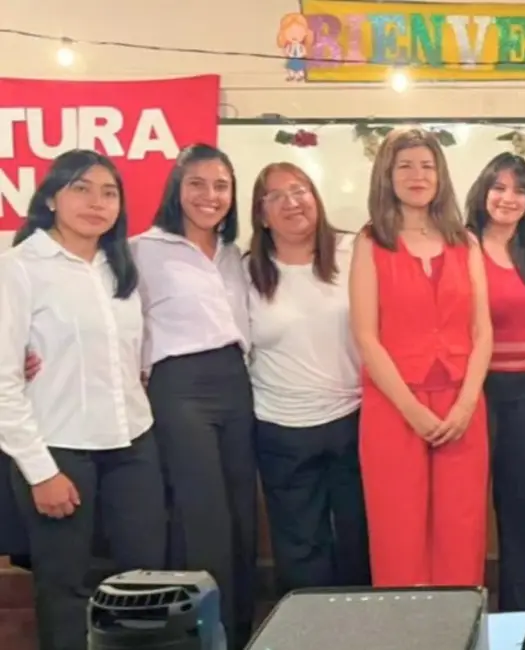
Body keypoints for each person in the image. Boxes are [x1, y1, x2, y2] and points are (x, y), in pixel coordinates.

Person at [0, 150, 167, 650]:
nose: (97, 202)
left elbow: (133, 355)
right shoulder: (19, 268)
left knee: (144, 581)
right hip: (59, 450)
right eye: (81, 189)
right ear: (51, 198)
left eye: (109, 193)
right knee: (65, 589)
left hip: (132, 443)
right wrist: (40, 471)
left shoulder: (121, 268)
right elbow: (3, 381)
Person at [350, 126, 492, 588]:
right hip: (394, 406)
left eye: (427, 166)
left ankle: (459, 623)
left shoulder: (465, 242)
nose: (418, 175)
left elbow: (482, 331)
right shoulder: (371, 241)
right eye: (405, 166)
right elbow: (366, 337)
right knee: (397, 532)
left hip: (460, 404)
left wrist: (466, 403)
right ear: (387, 176)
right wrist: (412, 410)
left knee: (461, 530)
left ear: (440, 175)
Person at [132, 144, 256, 650]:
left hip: (235, 382)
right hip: (179, 387)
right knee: (203, 517)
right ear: (176, 190)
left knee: (242, 514)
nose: (210, 195)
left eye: (221, 185)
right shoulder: (142, 249)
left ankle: (243, 632)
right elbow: (118, 321)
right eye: (197, 184)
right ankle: (206, 636)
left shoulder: (234, 254)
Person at [246, 162, 370, 594]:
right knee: (300, 551)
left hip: (352, 419)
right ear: (262, 215)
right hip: (282, 429)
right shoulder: (245, 271)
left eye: (299, 190)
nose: (291, 202)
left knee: (360, 540)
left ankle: (363, 625)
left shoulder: (354, 251)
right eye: (276, 196)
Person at [464, 153, 525, 648]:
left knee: (522, 510)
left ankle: (517, 621)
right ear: (483, 193)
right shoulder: (460, 246)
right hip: (474, 391)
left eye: (519, 190)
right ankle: (465, 619)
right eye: (499, 188)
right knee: (466, 510)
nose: (508, 198)